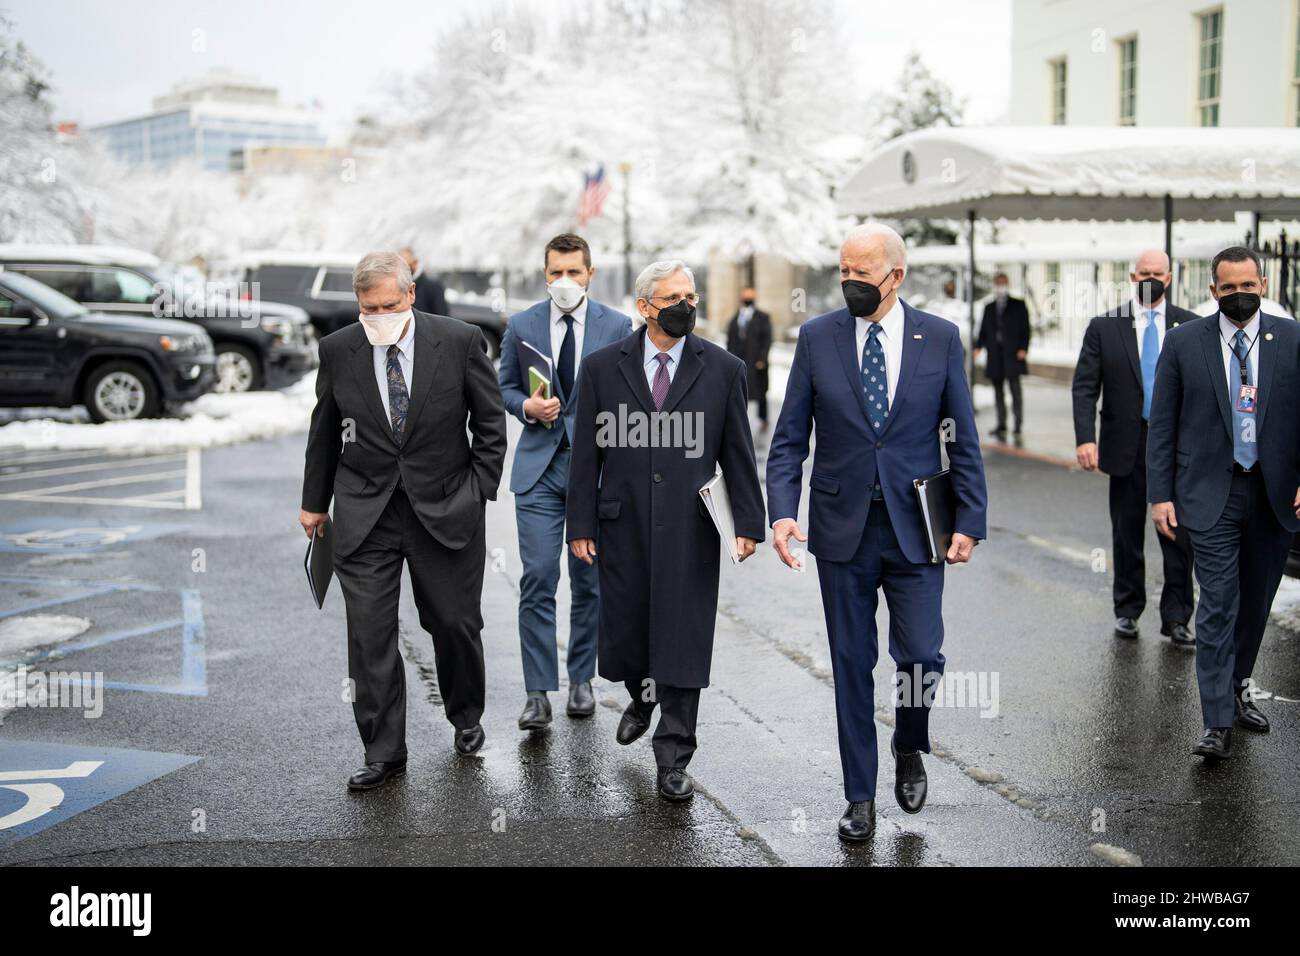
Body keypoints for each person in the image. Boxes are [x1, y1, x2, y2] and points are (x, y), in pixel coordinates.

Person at [766, 223, 987, 843]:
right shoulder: (817, 339)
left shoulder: (939, 339)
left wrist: (969, 519)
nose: (850, 284)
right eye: (844, 272)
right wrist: (782, 512)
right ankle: (859, 795)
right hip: (842, 531)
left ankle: (909, 743)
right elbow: (788, 440)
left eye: (863, 274)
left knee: (921, 656)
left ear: (896, 275)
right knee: (851, 661)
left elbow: (961, 436)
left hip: (917, 526)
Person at [299, 251, 506, 790]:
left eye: (389, 305)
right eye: (369, 308)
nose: (379, 316)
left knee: (454, 623)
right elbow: (324, 429)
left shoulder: (459, 341)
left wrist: (480, 489)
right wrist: (314, 502)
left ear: (410, 296)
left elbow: (489, 422)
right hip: (365, 511)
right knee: (369, 636)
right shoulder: (339, 349)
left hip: (446, 507)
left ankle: (466, 715)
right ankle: (384, 751)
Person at [566, 259, 765, 802]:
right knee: (629, 630)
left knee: (683, 637)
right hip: (622, 522)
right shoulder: (604, 368)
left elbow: (738, 452)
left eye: (692, 296)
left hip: (689, 527)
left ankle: (674, 755)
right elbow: (586, 452)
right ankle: (642, 694)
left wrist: (749, 521)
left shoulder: (722, 369)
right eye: (674, 297)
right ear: (645, 307)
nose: (686, 306)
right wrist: (579, 521)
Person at [1147, 245, 1300, 761]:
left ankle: (1236, 687)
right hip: (1209, 494)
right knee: (1217, 604)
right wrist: (1160, 495)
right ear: (1213, 291)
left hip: (1273, 493)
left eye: (1248, 286)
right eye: (1228, 288)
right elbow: (1162, 425)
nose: (1239, 296)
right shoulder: (1183, 342)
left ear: (1263, 285)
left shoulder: (1293, 341)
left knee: (1256, 601)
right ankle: (1215, 721)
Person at [498, 234, 632, 731]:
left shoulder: (617, 326)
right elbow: (504, 384)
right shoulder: (523, 324)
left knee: (589, 581)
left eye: (574, 272)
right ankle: (537, 692)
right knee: (536, 577)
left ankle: (582, 677)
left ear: (590, 274)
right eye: (556, 272)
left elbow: (630, 396)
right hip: (539, 470)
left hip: (595, 473)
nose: (565, 281)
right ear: (545, 274)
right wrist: (525, 406)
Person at [1072, 249, 1196, 643]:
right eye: (1144, 272)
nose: (1151, 278)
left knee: (1177, 534)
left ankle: (1177, 618)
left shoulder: (1190, 327)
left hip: (1176, 445)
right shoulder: (1105, 326)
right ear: (1132, 276)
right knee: (1126, 533)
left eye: (1158, 273)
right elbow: (1085, 386)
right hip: (1126, 442)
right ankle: (1127, 610)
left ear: (1170, 277)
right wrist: (1085, 438)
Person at [974, 272, 1030, 438]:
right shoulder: (989, 307)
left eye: (1003, 283)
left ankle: (1018, 424)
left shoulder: (1019, 305)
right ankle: (1001, 423)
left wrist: (1023, 348)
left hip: (1013, 354)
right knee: (998, 391)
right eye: (997, 283)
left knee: (1015, 390)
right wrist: (979, 346)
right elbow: (983, 330)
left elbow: (1026, 329)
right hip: (995, 355)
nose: (1000, 286)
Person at [725, 286, 772, 430]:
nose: (748, 298)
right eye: (745, 295)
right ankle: (738, 419)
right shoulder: (735, 318)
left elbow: (767, 339)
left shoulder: (763, 317)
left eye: (750, 295)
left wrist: (762, 359)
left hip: (756, 361)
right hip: (738, 359)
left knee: (760, 391)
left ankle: (763, 419)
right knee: (738, 390)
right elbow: (730, 339)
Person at [399, 246, 448, 316]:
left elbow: (442, 317)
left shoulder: (433, 287)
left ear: (415, 263)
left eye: (406, 265)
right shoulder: (398, 286)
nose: (403, 269)